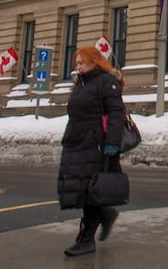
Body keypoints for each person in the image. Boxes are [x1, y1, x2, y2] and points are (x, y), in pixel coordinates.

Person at [56, 45, 127, 256]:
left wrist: (112, 144)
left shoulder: (106, 82)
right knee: (83, 191)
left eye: (81, 63)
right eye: (76, 63)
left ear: (94, 62)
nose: (77, 67)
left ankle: (86, 240)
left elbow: (116, 114)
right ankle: (106, 214)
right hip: (77, 144)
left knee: (91, 192)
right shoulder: (80, 84)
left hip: (97, 145)